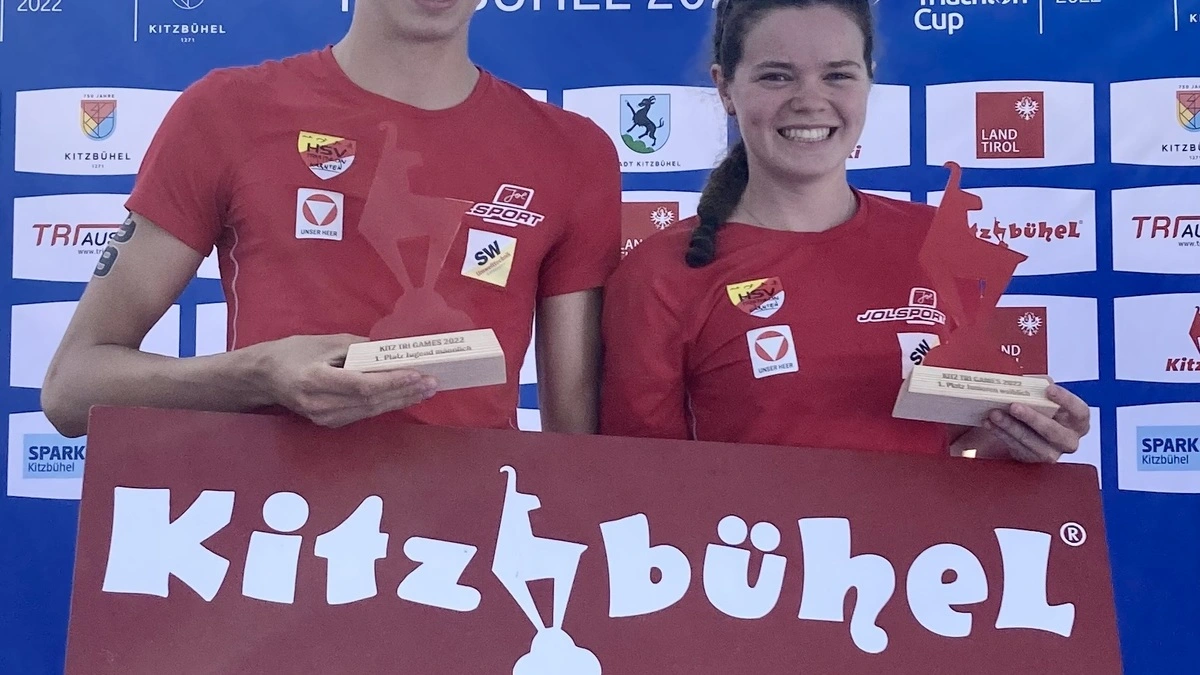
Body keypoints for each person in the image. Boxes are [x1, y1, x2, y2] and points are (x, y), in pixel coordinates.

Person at [41, 0, 621, 438]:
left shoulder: (572, 152)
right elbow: (72, 388)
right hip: (271, 539)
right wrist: (255, 375)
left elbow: (576, 450)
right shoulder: (228, 112)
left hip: (470, 549)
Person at [597, 0, 1090, 462]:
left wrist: (1021, 437)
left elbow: (960, 445)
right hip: (747, 532)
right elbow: (645, 481)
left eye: (837, 75)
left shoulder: (931, 238)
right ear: (725, 88)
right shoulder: (661, 273)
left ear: (868, 79)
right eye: (776, 76)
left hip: (918, 533)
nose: (810, 101)